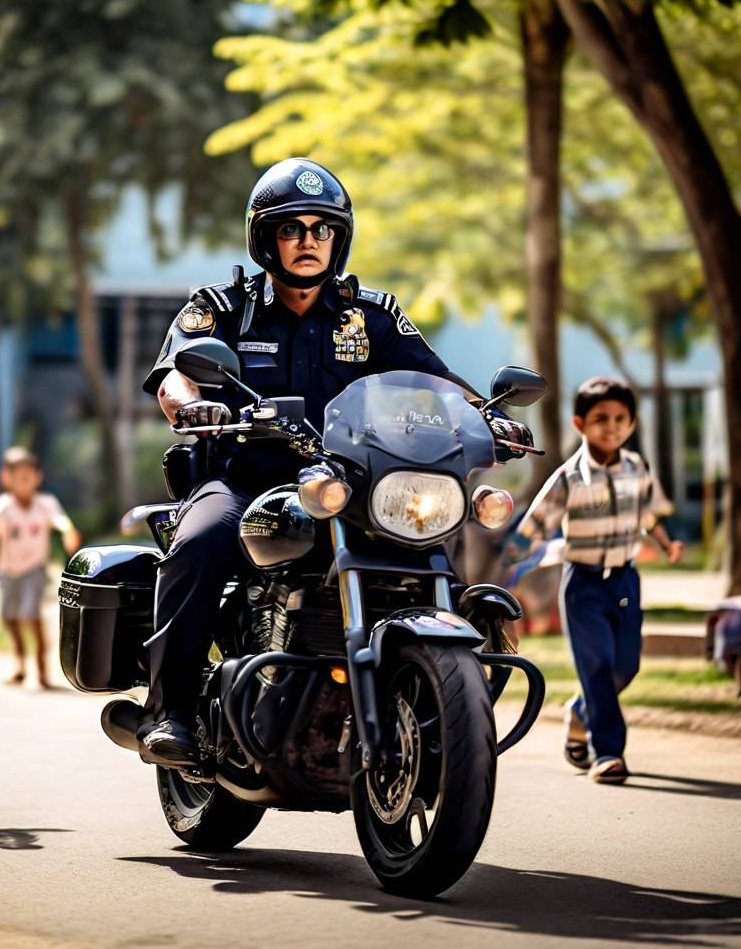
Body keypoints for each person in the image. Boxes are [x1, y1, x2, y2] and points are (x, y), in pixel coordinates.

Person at [138, 157, 485, 767]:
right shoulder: (223, 306)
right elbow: (174, 374)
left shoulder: (369, 315)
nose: (307, 241)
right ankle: (171, 711)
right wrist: (191, 407)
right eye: (291, 228)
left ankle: (450, 699)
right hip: (244, 480)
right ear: (266, 238)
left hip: (350, 484)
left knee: (427, 549)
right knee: (199, 542)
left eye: (321, 228)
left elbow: (439, 381)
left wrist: (488, 415)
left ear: (338, 238)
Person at [508, 376, 684, 785]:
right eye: (601, 418)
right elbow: (533, 524)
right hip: (583, 584)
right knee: (599, 668)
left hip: (625, 582)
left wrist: (666, 542)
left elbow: (649, 514)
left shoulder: (637, 468)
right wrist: (511, 560)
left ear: (632, 424)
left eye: (621, 418)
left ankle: (579, 712)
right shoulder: (569, 477)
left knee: (628, 665)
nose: (612, 426)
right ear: (579, 423)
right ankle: (607, 753)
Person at [0, 446, 81, 689]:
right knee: (9, 617)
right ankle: (19, 661)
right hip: (9, 569)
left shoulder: (46, 503)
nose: (25, 482)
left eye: (29, 476)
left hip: (34, 569)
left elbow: (59, 520)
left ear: (38, 477)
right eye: (19, 477)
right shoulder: (4, 505)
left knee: (31, 614)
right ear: (6, 479)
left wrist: (68, 531)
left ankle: (41, 670)